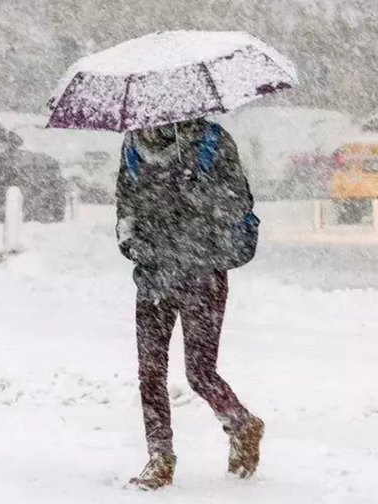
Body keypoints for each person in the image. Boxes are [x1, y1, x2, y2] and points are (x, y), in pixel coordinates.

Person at [115, 118, 263, 490]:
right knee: (150, 371)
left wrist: (199, 194)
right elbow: (125, 208)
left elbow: (238, 202)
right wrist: (133, 243)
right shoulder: (134, 144)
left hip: (203, 272)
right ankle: (160, 458)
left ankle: (242, 424)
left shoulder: (211, 141)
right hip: (154, 274)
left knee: (199, 372)